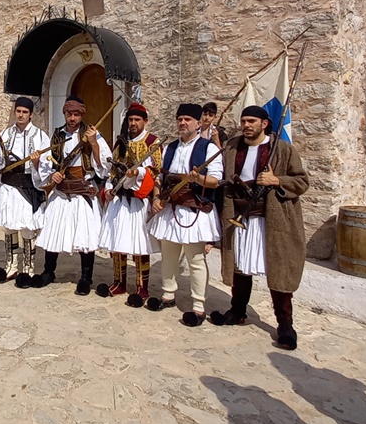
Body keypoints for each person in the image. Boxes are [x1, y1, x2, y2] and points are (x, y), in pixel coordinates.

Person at [211, 105, 310, 350]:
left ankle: (285, 325)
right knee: (240, 268)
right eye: (244, 120)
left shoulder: (282, 149)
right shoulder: (232, 147)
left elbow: (302, 181)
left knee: (278, 270)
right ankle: (238, 311)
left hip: (272, 220)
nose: (246, 125)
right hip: (240, 217)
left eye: (252, 121)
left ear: (264, 123)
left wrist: (277, 180)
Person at [147, 103, 223, 326]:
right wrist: (156, 198)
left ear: (198, 124)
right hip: (171, 209)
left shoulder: (208, 149)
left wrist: (198, 179)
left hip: (195, 211)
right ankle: (168, 295)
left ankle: (198, 306)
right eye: (180, 119)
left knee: (196, 260)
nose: (182, 123)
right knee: (168, 255)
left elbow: (216, 181)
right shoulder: (169, 148)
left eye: (188, 119)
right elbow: (161, 178)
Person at [30, 95, 111, 294]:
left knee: (86, 235)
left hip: (83, 189)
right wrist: (51, 173)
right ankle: (49, 271)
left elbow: (105, 164)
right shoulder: (57, 135)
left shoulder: (92, 133)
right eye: (69, 114)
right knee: (53, 231)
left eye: (76, 114)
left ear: (81, 115)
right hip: (62, 189)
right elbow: (50, 162)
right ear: (64, 114)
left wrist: (93, 143)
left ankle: (86, 276)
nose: (72, 118)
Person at [97, 102, 161, 306]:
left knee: (138, 244)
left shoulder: (152, 142)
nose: (133, 123)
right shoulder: (120, 142)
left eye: (137, 120)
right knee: (117, 242)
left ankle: (142, 287)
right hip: (119, 198)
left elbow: (157, 171)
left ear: (145, 121)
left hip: (138, 201)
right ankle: (119, 282)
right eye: (131, 120)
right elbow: (113, 171)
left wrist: (139, 172)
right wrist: (108, 189)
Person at [0, 96, 49, 288]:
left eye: (24, 112)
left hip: (27, 187)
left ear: (31, 115)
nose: (20, 115)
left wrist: (37, 162)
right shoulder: (5, 134)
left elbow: (47, 164)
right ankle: (11, 267)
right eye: (18, 111)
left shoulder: (39, 136)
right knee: (9, 227)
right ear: (15, 112)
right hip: (8, 188)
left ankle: (28, 269)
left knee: (27, 228)